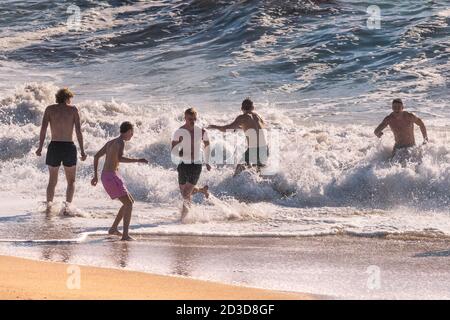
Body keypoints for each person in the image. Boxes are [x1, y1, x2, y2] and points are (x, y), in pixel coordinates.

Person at [91, 121, 148, 241]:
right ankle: (125, 235)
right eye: (132, 133)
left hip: (106, 176)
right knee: (129, 204)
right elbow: (120, 158)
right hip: (111, 176)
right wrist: (138, 160)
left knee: (129, 201)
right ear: (128, 131)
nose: (132, 136)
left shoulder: (111, 142)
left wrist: (95, 176)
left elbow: (96, 156)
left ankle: (113, 228)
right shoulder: (120, 142)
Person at [35, 88, 87, 212]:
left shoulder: (50, 109)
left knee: (52, 180)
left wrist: (40, 147)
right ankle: (67, 208)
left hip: (54, 147)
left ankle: (49, 207)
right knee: (71, 181)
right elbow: (78, 131)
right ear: (67, 97)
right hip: (69, 147)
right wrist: (82, 151)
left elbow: (43, 129)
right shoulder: (73, 110)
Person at [208, 98, 268, 176]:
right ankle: (268, 187)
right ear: (253, 108)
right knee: (258, 172)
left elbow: (227, 128)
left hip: (254, 149)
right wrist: (243, 128)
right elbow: (260, 128)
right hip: (265, 148)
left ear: (241, 108)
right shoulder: (258, 116)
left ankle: (232, 186)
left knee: (238, 170)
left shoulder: (242, 117)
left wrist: (215, 126)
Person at [171, 108, 211, 220]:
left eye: (194, 119)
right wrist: (179, 152)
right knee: (184, 193)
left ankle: (184, 219)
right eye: (190, 119)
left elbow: (207, 145)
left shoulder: (201, 131)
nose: (192, 121)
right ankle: (202, 190)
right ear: (185, 118)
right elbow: (173, 148)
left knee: (185, 194)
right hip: (183, 164)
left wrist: (207, 162)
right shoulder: (179, 131)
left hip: (196, 164)